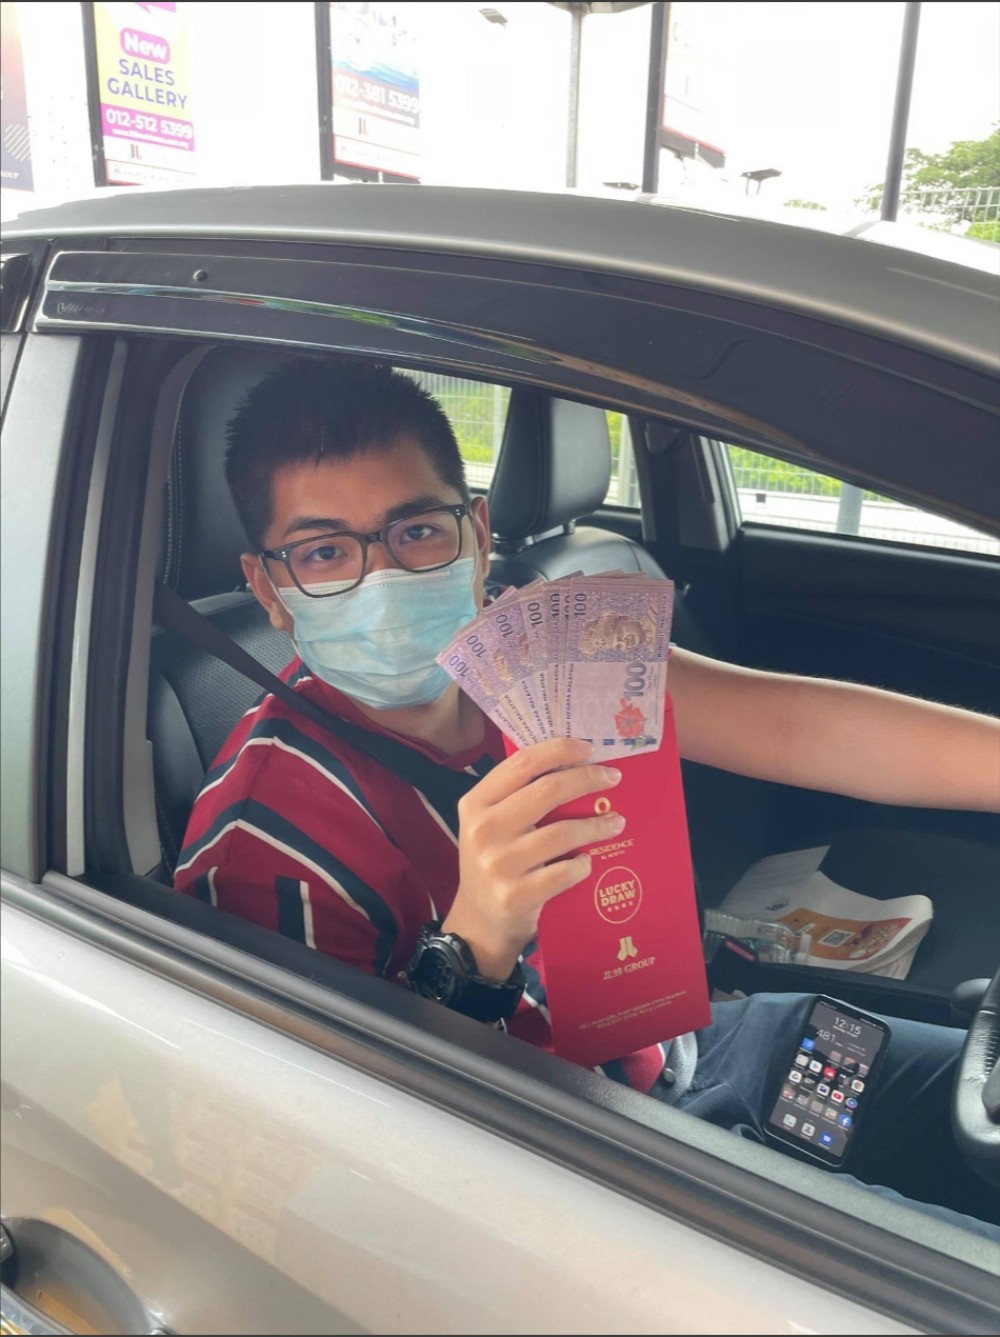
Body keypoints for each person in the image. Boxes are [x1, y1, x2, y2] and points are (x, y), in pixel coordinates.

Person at [175, 357, 1000, 1239]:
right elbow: (361, 1166)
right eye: (325, 552)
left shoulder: (548, 654)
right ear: (268, 588)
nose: (382, 580)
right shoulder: (260, 846)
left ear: (476, 533)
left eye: (416, 531)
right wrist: (475, 945)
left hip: (699, 1040)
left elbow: (798, 727)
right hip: (597, 1158)